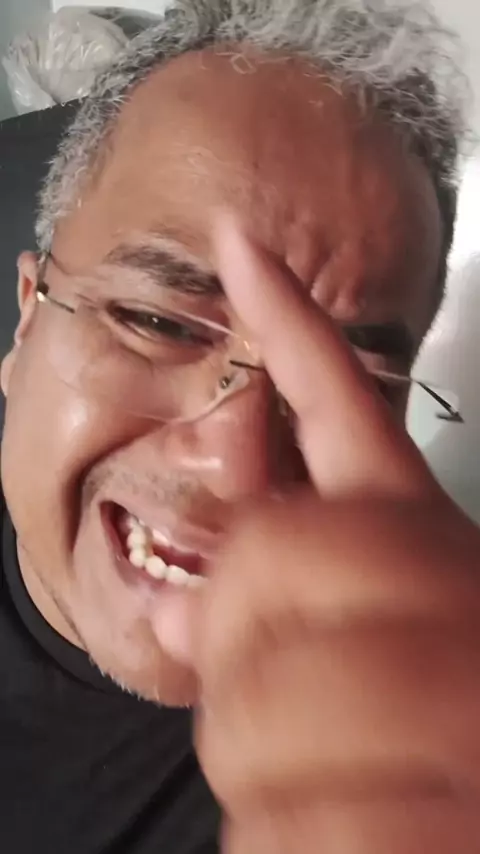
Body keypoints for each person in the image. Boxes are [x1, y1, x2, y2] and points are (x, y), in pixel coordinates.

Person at [1, 0, 479, 851]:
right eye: (158, 322)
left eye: (359, 383)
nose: (241, 468)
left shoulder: (417, 756)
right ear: (28, 318)